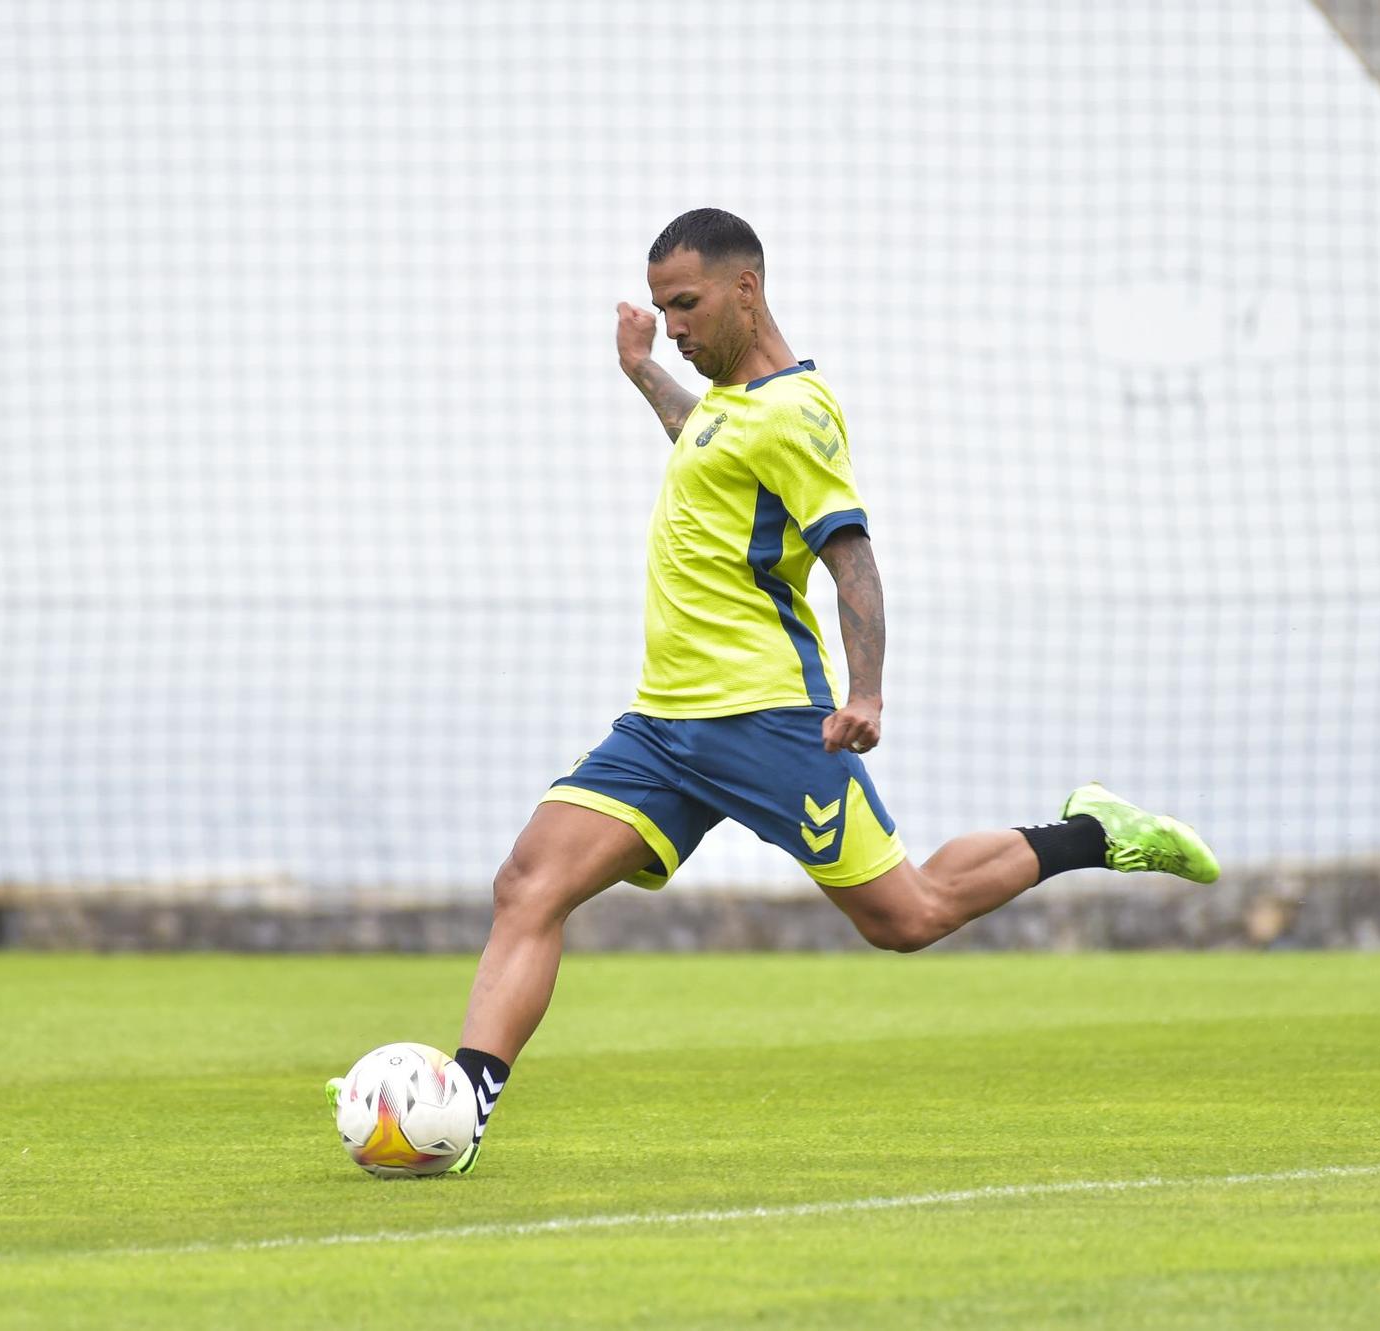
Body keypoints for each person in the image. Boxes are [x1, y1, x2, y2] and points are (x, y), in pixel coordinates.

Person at [329, 207, 1219, 1175]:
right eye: (662, 308)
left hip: (766, 719)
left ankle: (1089, 830)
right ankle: (461, 1108)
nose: (673, 323)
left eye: (686, 304)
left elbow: (851, 559)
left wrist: (864, 690)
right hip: (662, 725)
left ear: (744, 290)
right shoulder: (721, 403)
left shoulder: (795, 414)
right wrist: (641, 373)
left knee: (906, 915)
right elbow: (701, 442)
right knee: (527, 882)